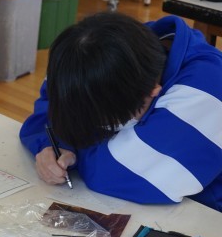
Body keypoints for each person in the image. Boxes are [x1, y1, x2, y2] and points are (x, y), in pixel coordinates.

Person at [20, 12, 222, 211]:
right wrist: (52, 146)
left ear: (153, 90)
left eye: (110, 123)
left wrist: (73, 147)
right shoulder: (87, 56)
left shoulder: (205, 91)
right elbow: (49, 111)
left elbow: (115, 173)